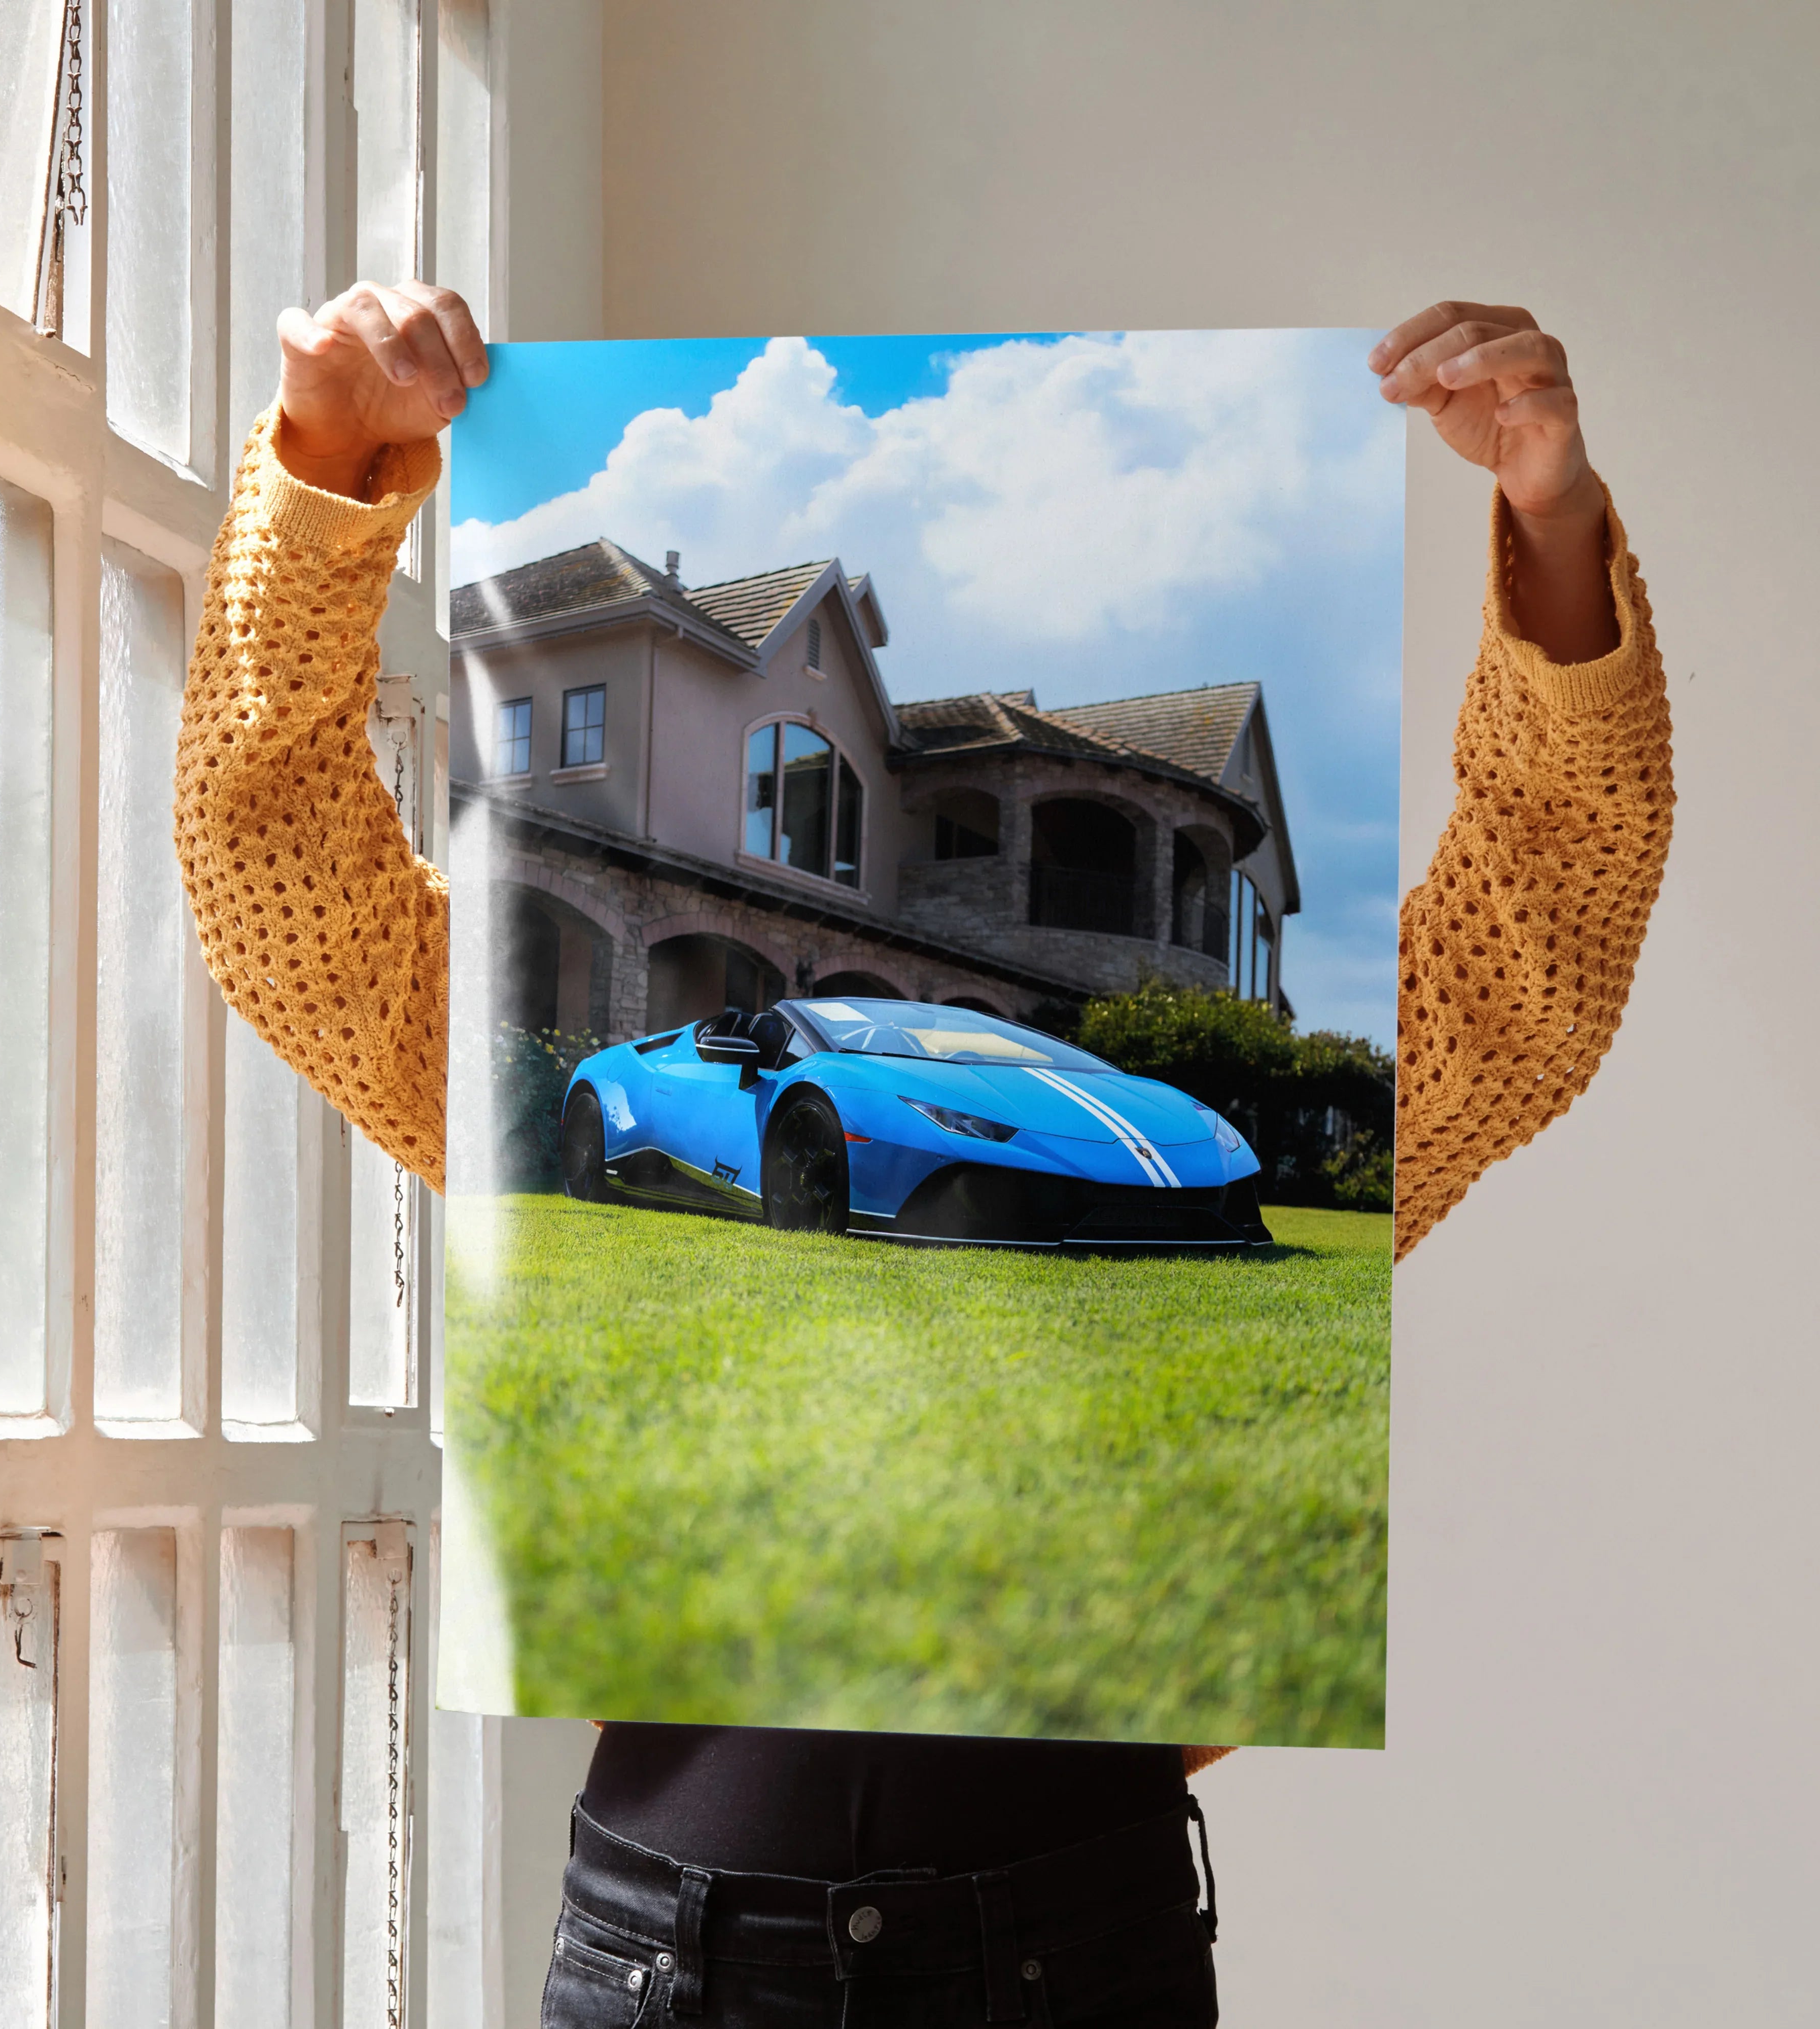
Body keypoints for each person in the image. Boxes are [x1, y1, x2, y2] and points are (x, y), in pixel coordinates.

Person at [175, 284, 1671, 2026]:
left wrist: (1553, 524)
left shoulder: (1109, 1091)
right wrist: (326, 467)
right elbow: (276, 882)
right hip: (678, 1959)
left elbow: (1535, 957)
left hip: (1077, 1944)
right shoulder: (608, 1112)